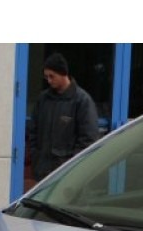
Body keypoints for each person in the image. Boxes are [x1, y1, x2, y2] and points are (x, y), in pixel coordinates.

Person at [29, 53, 101, 182]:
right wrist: (36, 157)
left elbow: (88, 140)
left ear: (63, 73)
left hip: (67, 176)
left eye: (52, 76)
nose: (49, 80)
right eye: (46, 77)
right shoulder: (43, 99)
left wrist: (71, 168)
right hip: (42, 173)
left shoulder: (82, 101)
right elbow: (33, 130)